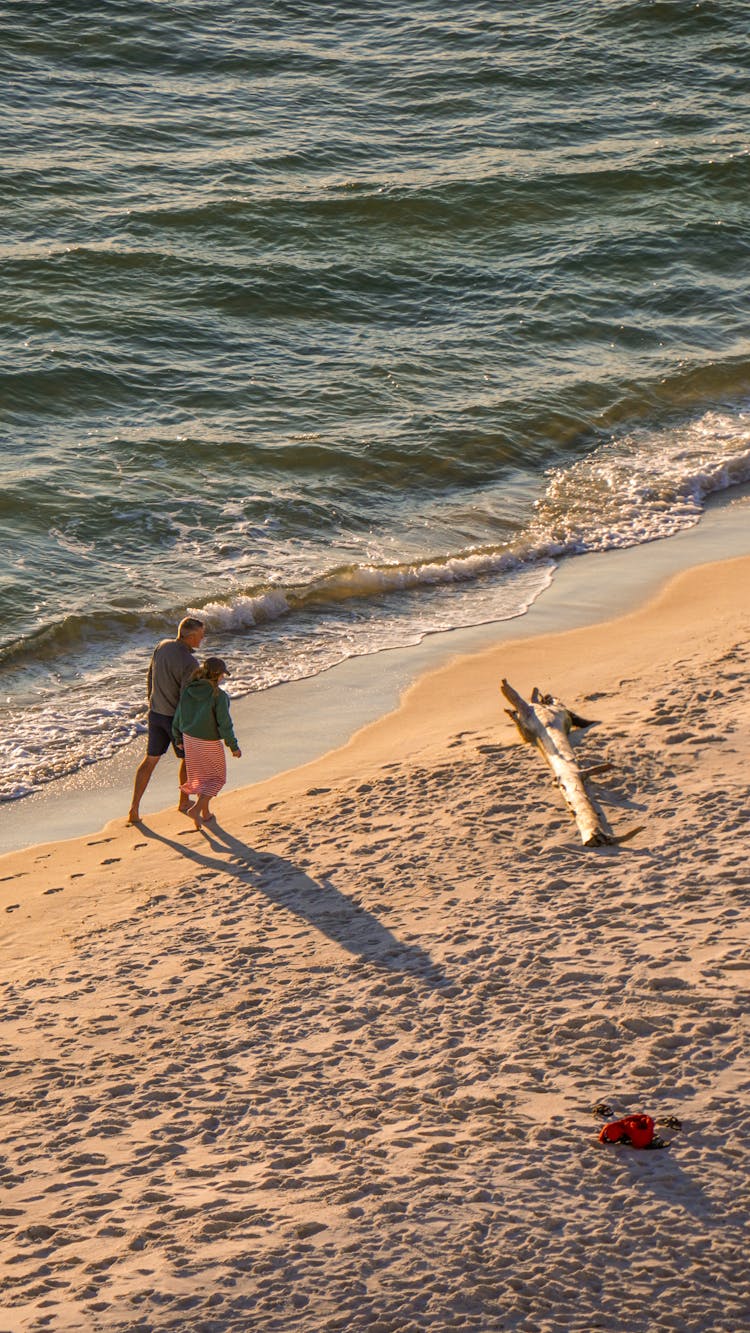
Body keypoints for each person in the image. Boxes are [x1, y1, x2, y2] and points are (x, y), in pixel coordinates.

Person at [127, 616, 206, 824]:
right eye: (200, 635)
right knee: (187, 759)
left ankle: (134, 809)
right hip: (175, 718)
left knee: (150, 760)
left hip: (156, 713)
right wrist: (185, 726)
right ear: (190, 636)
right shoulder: (190, 662)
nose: (202, 639)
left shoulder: (162, 646)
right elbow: (185, 698)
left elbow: (149, 676)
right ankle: (183, 801)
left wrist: (151, 702)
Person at [172, 657, 242, 828]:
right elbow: (225, 724)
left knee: (202, 778)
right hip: (208, 741)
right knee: (217, 779)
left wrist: (178, 737)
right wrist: (233, 746)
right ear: (217, 675)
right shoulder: (219, 695)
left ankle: (204, 813)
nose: (223, 679)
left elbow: (178, 715)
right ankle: (196, 809)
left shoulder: (189, 689)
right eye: (222, 675)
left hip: (189, 739)